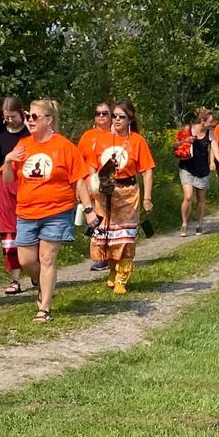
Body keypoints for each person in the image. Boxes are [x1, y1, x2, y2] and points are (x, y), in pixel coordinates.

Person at [2, 99, 89, 323]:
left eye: (34, 117)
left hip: (56, 212)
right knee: (26, 260)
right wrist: (8, 161)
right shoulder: (22, 145)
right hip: (26, 212)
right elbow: (8, 180)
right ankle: (43, 284)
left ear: (48, 120)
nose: (29, 121)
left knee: (47, 257)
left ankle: (45, 308)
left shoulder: (64, 146)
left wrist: (89, 209)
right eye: (28, 116)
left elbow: (79, 181)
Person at [86, 101, 154, 293]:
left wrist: (147, 198)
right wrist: (92, 187)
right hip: (104, 194)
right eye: (114, 115)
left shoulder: (137, 141)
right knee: (105, 236)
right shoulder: (102, 140)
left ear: (130, 118)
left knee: (125, 237)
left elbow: (147, 170)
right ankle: (113, 270)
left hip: (128, 194)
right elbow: (92, 166)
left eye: (121, 116)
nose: (116, 119)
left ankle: (122, 277)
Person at [0, 97, 27, 294]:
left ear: (22, 113)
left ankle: (36, 272)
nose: (10, 120)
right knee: (9, 232)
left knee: (29, 230)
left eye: (13, 116)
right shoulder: (0, 137)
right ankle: (15, 279)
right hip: (5, 188)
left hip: (28, 185)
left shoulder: (31, 133)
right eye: (6, 117)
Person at [76, 99, 117, 268]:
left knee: (110, 219)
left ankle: (112, 253)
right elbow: (78, 162)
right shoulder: (87, 136)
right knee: (95, 219)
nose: (101, 116)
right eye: (97, 113)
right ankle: (99, 256)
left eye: (104, 113)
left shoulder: (116, 135)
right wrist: (79, 187)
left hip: (110, 183)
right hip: (89, 184)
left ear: (111, 115)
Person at [177, 109, 213, 233]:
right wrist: (185, 141)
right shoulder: (187, 129)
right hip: (187, 167)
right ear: (202, 121)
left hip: (202, 168)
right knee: (188, 196)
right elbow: (175, 145)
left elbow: (214, 149)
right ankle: (184, 223)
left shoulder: (210, 133)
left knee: (201, 198)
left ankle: (199, 224)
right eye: (210, 122)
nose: (211, 124)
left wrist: (213, 162)